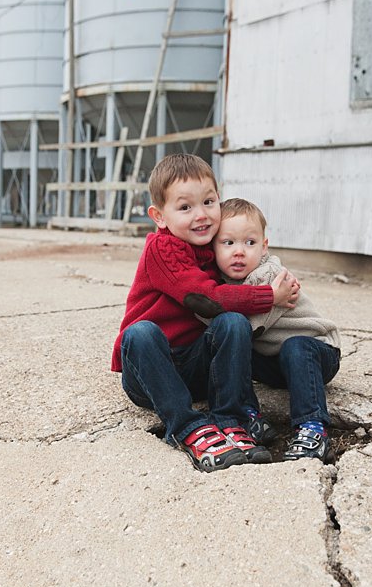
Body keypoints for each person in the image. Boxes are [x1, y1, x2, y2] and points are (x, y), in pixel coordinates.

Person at [111, 154, 300, 473]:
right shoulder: (163, 249)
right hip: (151, 370)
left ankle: (230, 418)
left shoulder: (216, 244)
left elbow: (249, 259)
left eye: (209, 202)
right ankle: (187, 427)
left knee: (232, 322)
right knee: (140, 333)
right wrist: (269, 296)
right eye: (185, 207)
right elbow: (206, 299)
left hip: (198, 368)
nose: (201, 215)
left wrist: (277, 276)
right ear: (159, 216)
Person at [210, 197, 341, 462]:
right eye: (228, 243)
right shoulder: (219, 282)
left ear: (264, 246)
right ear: (212, 247)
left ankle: (313, 429)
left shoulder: (271, 276)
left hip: (315, 353)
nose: (239, 251)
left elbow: (252, 327)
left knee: (294, 345)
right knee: (232, 350)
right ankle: (249, 415)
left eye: (250, 243)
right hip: (276, 364)